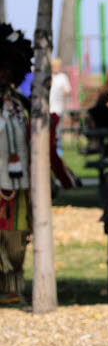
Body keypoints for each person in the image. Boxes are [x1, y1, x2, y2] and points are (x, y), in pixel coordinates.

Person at [0, 23, 33, 304]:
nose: (4, 73)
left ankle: (12, 288)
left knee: (16, 238)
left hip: (18, 186)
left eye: (9, 67)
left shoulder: (22, 105)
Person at [50, 57, 71, 155]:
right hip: (48, 108)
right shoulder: (49, 76)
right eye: (54, 66)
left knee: (57, 130)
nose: (56, 68)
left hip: (58, 108)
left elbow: (68, 90)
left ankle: (58, 151)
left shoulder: (62, 77)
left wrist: (64, 91)